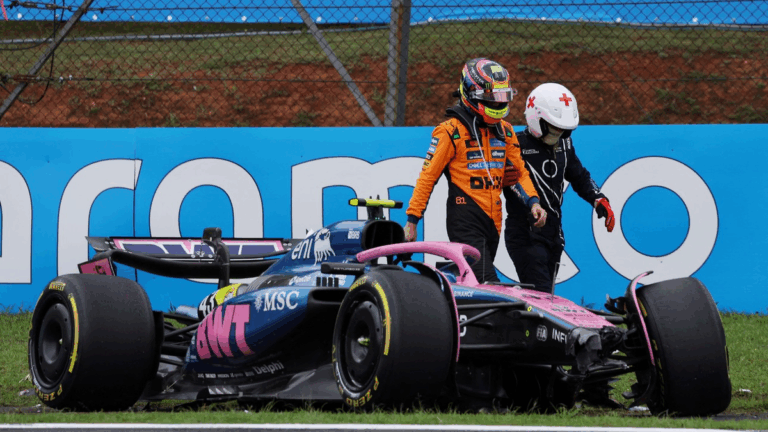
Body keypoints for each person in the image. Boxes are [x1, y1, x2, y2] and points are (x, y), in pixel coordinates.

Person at [404, 58, 547, 283]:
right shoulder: (449, 131)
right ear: (471, 94)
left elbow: (520, 174)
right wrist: (412, 220)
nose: (499, 104)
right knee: (489, 283)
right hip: (465, 219)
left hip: (495, 220)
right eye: (492, 98)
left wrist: (534, 202)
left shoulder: (506, 131)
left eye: (503, 97)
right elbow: (427, 178)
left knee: (475, 285)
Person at [503, 83, 614, 292]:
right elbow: (501, 180)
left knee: (544, 296)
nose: (559, 135)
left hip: (555, 234)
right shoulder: (515, 145)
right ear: (536, 118)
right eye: (554, 129)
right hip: (525, 232)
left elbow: (580, 176)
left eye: (564, 131)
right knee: (541, 294)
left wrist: (599, 199)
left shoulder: (565, 144)